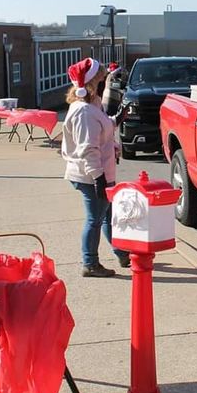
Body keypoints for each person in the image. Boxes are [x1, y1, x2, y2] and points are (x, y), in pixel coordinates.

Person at [61, 58, 131, 277]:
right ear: (92, 82)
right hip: (91, 175)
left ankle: (121, 252)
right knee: (95, 219)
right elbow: (88, 148)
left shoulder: (92, 105)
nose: (106, 84)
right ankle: (90, 263)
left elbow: (102, 127)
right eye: (102, 80)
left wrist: (117, 118)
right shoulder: (83, 112)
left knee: (108, 215)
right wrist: (99, 179)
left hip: (99, 173)